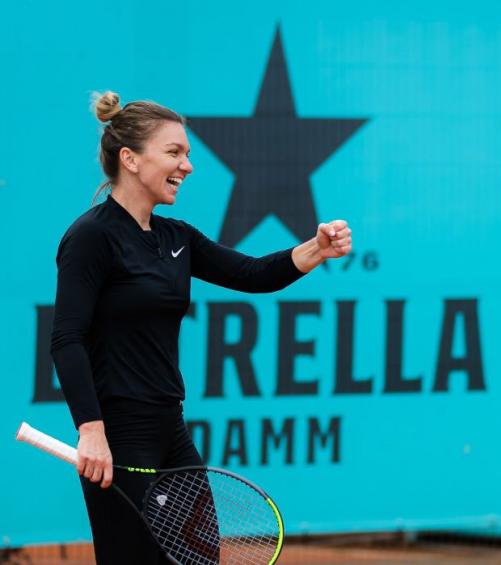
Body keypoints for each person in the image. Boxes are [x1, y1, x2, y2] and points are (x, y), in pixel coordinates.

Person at [50, 91, 352, 563]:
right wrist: (91, 431)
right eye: (174, 152)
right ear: (130, 159)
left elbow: (253, 274)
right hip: (119, 435)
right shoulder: (91, 237)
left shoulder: (177, 237)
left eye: (187, 154)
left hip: (171, 428)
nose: (187, 166)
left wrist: (316, 249)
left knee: (199, 558)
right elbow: (67, 338)